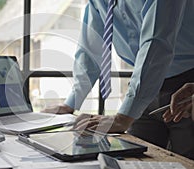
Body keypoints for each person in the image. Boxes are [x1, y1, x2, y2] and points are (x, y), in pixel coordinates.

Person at [43, 0, 194, 159]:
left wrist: (123, 117)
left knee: (185, 160)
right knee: (136, 158)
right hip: (142, 89)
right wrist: (71, 103)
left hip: (186, 90)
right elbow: (90, 49)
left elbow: (156, 44)